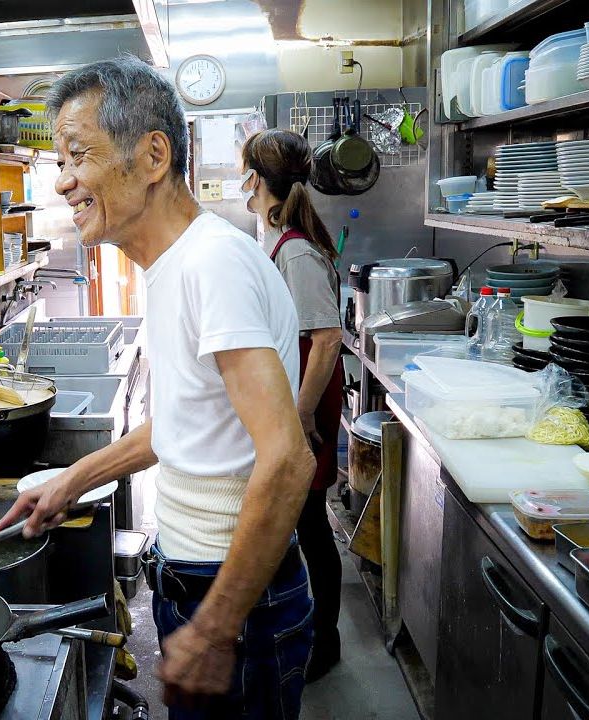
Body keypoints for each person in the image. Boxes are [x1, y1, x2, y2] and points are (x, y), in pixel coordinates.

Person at [0, 56, 317, 719]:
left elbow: (288, 461)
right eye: (60, 161)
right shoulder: (175, 265)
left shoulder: (211, 264)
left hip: (239, 598)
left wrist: (216, 626)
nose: (63, 182)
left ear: (152, 156)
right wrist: (72, 480)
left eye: (76, 155)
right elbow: (184, 423)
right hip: (198, 581)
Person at [241, 129, 346, 681]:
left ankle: (322, 645)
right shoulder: (280, 240)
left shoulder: (297, 251)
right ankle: (307, 634)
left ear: (256, 180)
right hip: (298, 401)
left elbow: (326, 339)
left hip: (311, 406)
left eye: (245, 173)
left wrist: (302, 415)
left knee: (310, 526)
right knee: (302, 523)